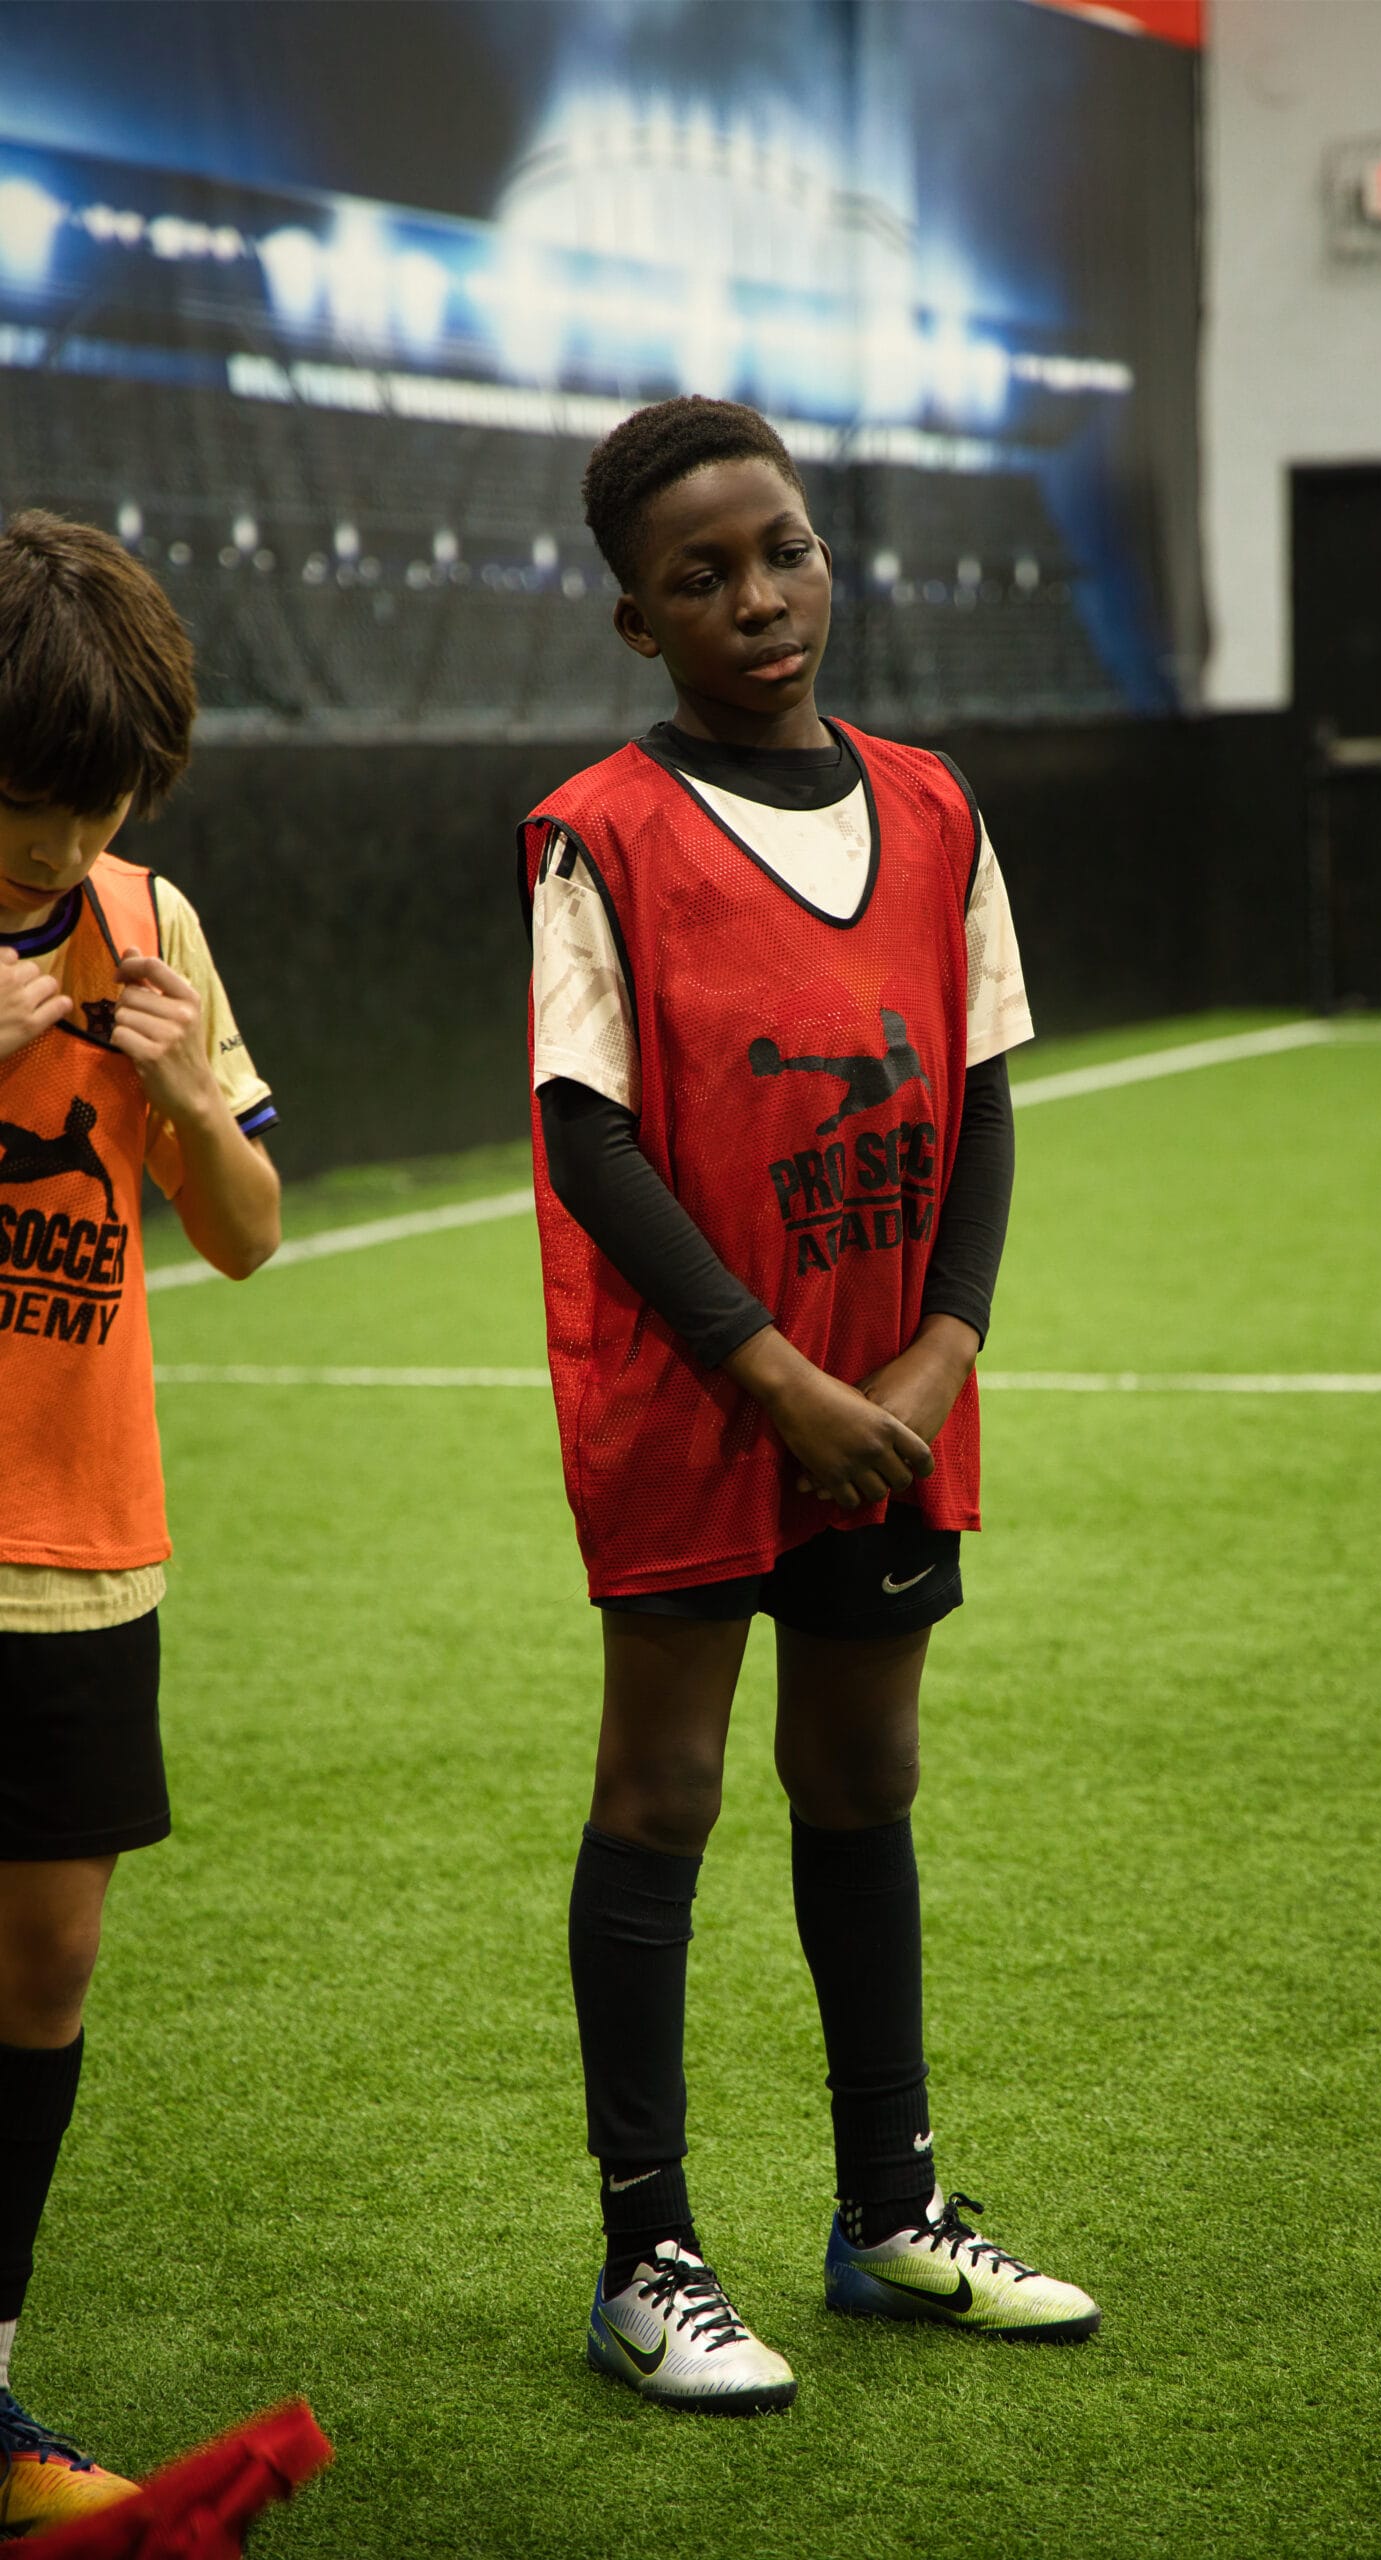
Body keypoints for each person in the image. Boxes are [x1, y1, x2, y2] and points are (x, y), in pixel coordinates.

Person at [521, 397, 1100, 2415]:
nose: (755, 596)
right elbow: (588, 1137)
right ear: (633, 621)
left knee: (861, 1779)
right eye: (701, 575)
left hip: (884, 1392)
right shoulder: (601, 828)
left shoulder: (935, 807)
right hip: (704, 1399)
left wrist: (934, 1358)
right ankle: (646, 2251)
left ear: (825, 555)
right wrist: (766, 1371)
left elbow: (984, 1091)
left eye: (778, 548)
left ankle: (887, 2215)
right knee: (662, 1789)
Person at [0, 513, 280, 2527]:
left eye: (103, 801)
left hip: (83, 1542)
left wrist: (185, 1103)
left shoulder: (151, 925)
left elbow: (252, 1237)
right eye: (33, 801)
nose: (65, 837)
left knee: (47, 1957)